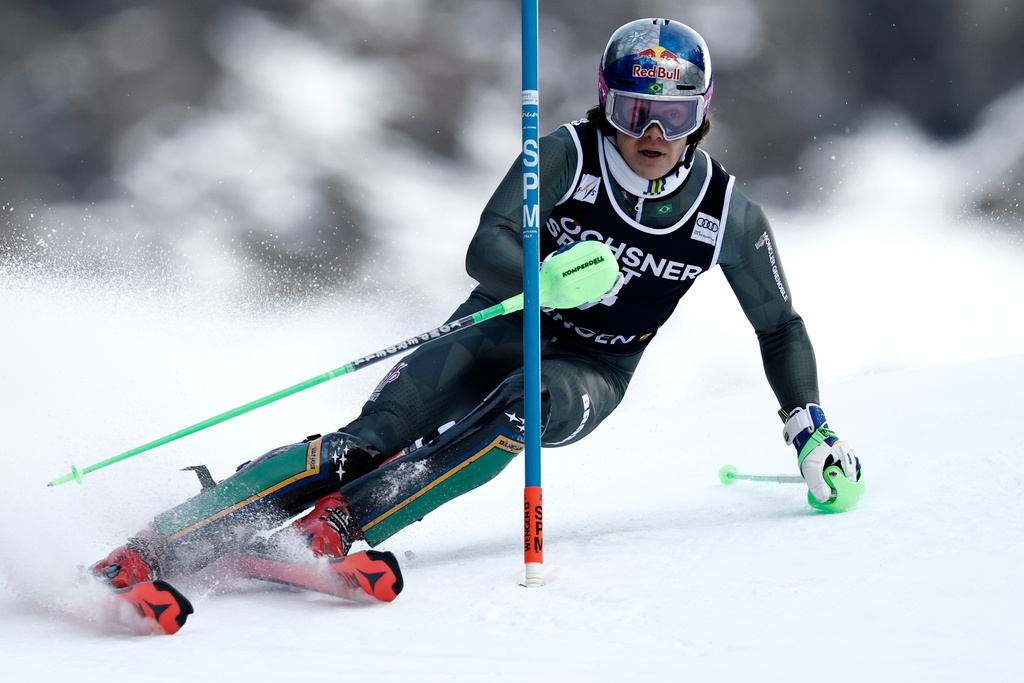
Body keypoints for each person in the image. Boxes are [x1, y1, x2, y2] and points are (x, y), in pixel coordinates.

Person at [91, 18, 861, 588]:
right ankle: (164, 537)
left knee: (525, 404)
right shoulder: (566, 154)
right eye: (634, 112)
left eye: (675, 115)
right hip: (499, 322)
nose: (653, 133)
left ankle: (346, 523)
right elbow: (484, 246)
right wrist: (545, 275)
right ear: (606, 107)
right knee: (371, 438)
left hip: (590, 369)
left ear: (702, 116)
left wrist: (810, 430)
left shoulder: (726, 212)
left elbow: (780, 325)